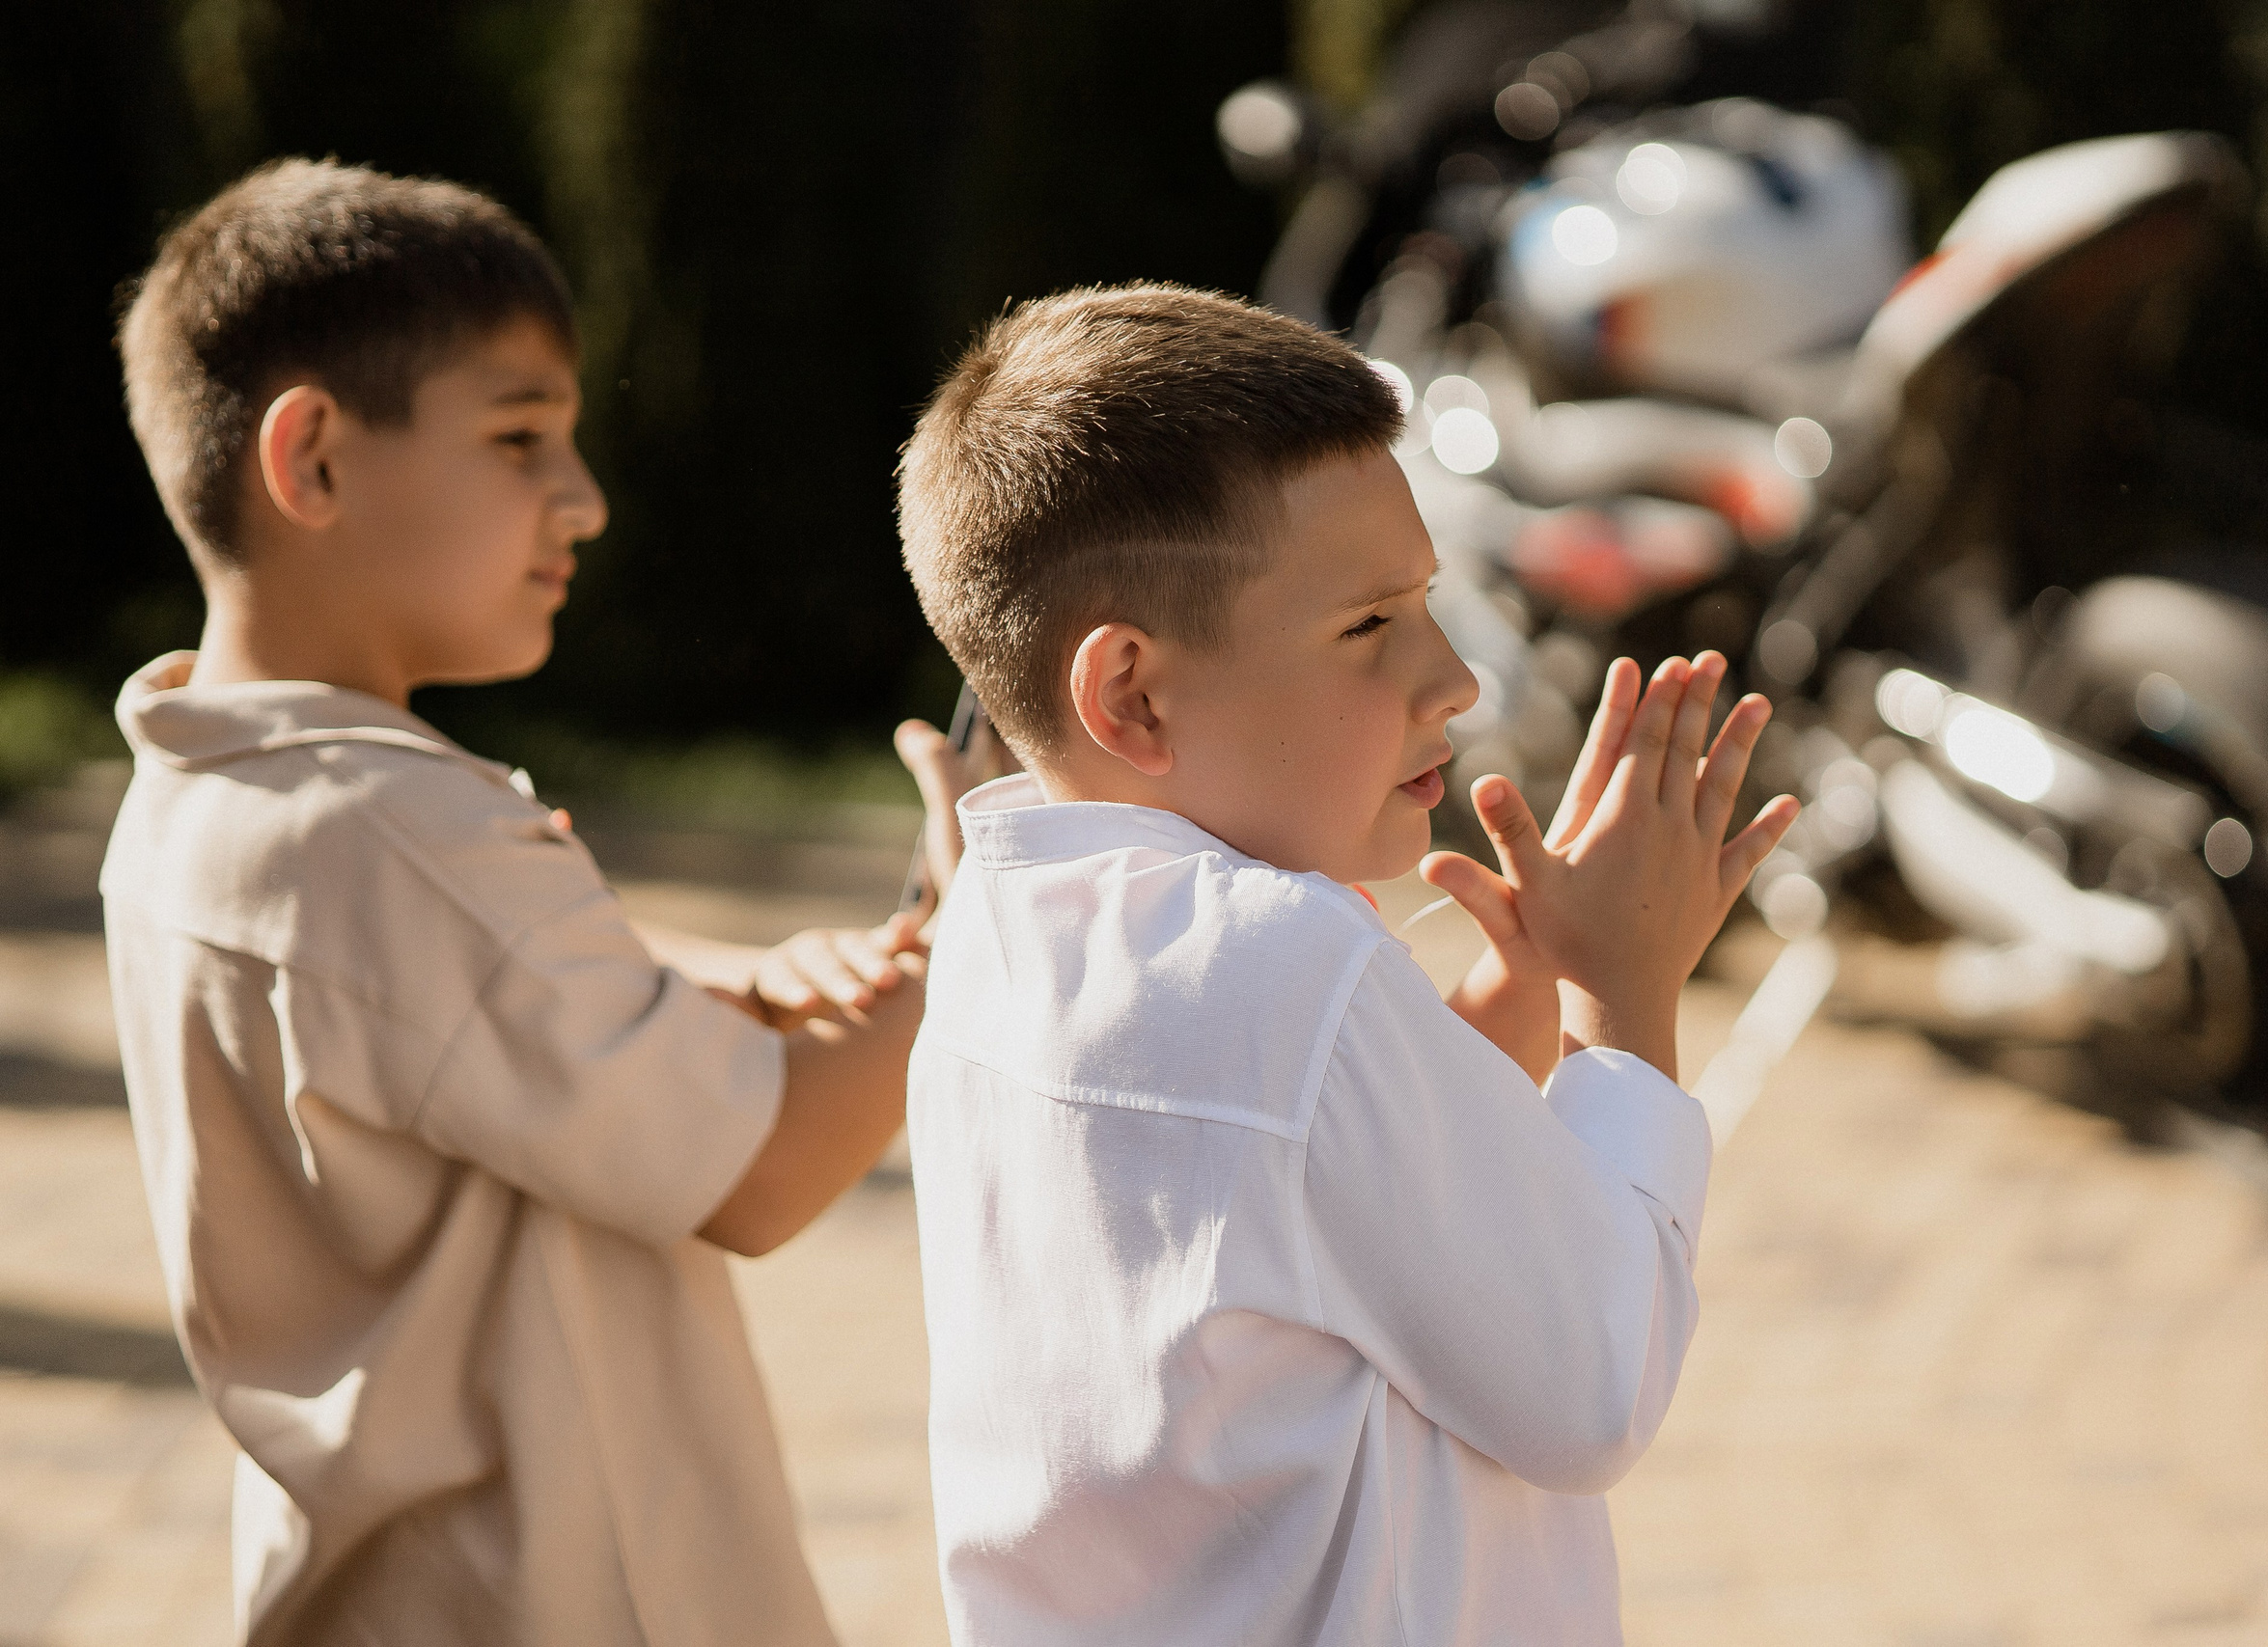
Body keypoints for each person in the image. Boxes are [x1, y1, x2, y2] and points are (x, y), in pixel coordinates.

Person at [896, 283, 1801, 1644]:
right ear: (1133, 695)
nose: (1453, 680)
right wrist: (1625, 1000)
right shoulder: (1287, 963)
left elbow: (1257, 1231)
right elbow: (1590, 1386)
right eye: (1370, 625)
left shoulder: (1002, 918)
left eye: (1427, 603)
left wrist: (1462, 1067)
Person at [104, 157, 930, 1645]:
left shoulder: (206, 791)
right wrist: (972, 924)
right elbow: (765, 1171)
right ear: (314, 461)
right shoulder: (393, 832)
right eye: (520, 436)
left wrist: (745, 982)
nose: (585, 500)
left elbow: (441, 1016)